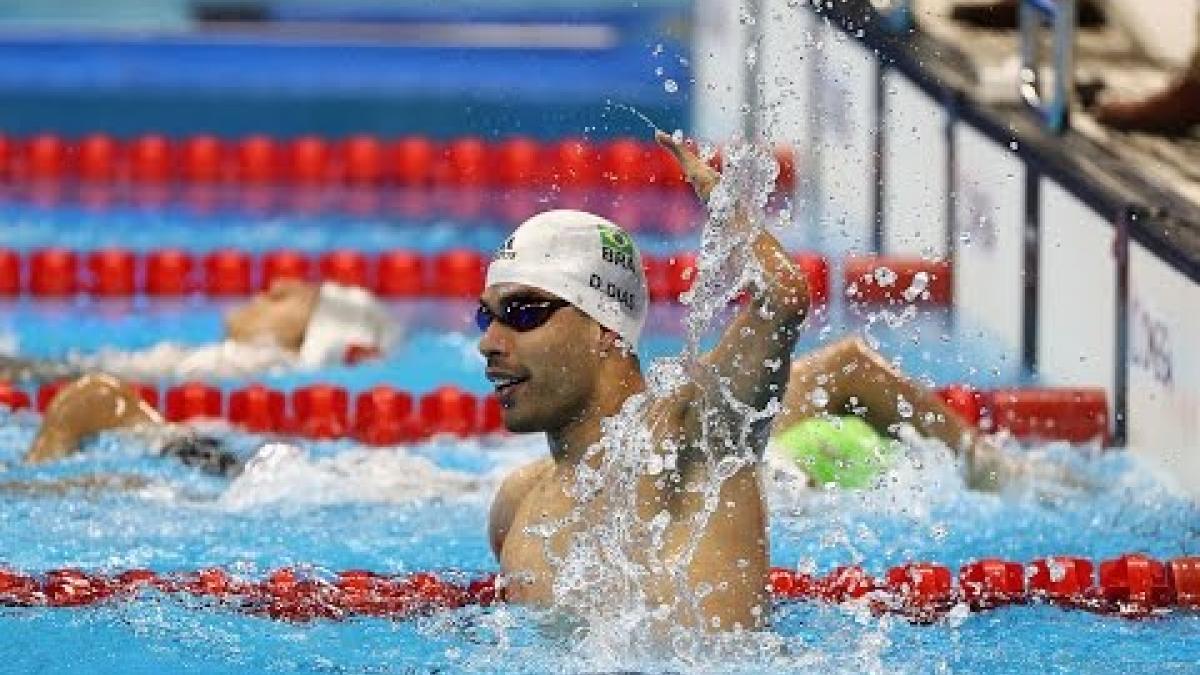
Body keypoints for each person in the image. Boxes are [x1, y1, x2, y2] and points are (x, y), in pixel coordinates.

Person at [1, 277, 395, 383]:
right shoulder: (235, 365)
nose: (276, 285)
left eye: (299, 299)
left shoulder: (248, 366)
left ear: (309, 339)